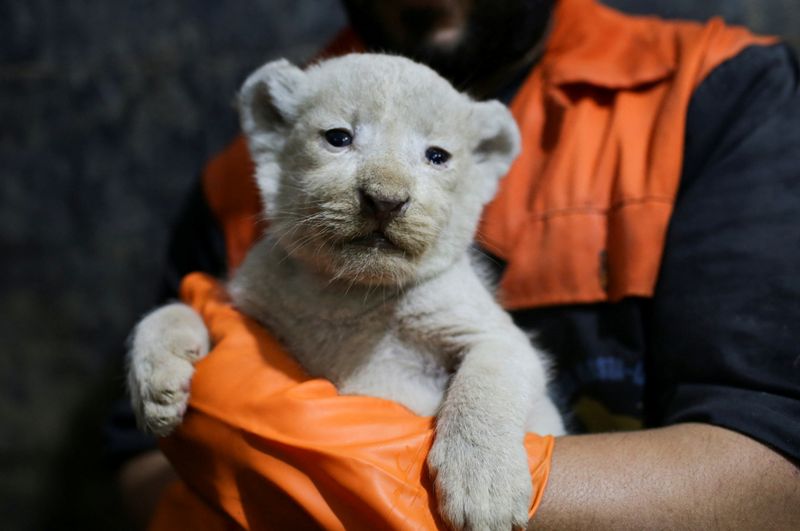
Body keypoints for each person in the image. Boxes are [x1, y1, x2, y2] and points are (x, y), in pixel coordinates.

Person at [111, 0, 800, 528]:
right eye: (339, 138)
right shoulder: (244, 173)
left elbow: (776, 471)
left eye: (435, 156)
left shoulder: (719, 92)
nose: (385, 190)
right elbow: (137, 454)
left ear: (483, 162)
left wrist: (380, 476)